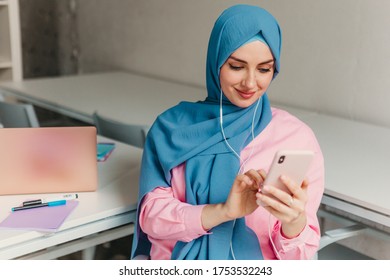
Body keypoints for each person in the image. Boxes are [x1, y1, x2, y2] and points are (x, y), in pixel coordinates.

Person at [131, 4, 324, 260]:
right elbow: (152, 218)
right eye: (236, 66)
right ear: (216, 61)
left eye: (264, 69)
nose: (250, 83)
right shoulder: (171, 129)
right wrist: (223, 211)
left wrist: (294, 223)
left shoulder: (296, 138)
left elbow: (299, 258)